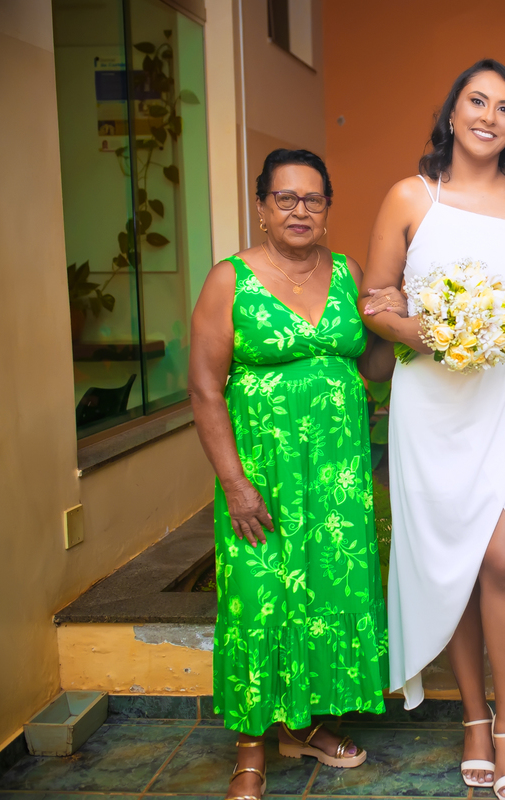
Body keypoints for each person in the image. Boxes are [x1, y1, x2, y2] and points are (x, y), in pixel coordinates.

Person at [358, 60, 505, 800]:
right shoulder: (410, 196)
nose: (489, 116)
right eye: (477, 101)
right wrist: (428, 331)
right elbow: (375, 300)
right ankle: (476, 720)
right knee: (454, 559)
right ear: (452, 113)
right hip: (433, 401)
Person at [188, 149, 403, 800]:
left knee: (325, 599)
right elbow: (204, 389)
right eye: (285, 198)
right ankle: (250, 751)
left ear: (328, 208)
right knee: (259, 600)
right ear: (262, 207)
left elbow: (373, 367)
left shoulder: (347, 272)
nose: (300, 210)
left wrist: (397, 319)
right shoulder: (229, 280)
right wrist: (234, 483)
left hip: (337, 479)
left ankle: (303, 726)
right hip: (263, 477)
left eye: (313, 198)